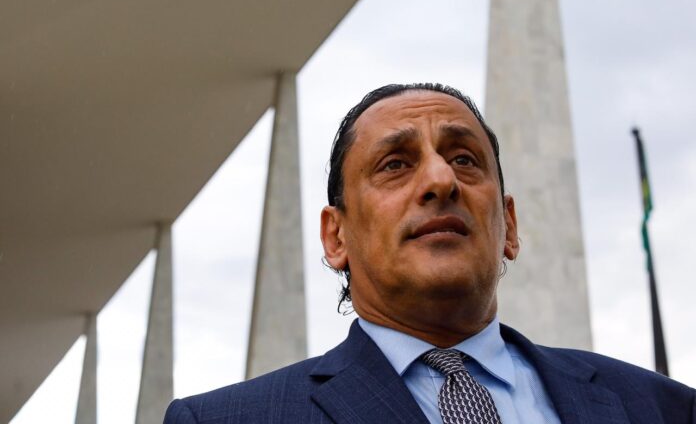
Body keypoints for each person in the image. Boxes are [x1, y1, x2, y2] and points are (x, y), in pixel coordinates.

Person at [164, 83, 695, 423]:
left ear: (509, 226)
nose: (442, 180)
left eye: (464, 159)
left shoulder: (663, 408)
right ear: (336, 236)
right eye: (395, 164)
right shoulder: (226, 419)